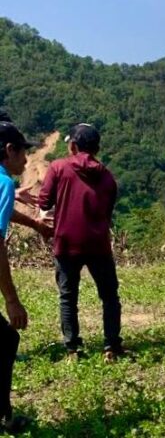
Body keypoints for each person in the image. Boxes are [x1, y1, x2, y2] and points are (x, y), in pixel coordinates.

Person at [38, 124, 123, 362]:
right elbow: (108, 210)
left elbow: (44, 202)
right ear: (96, 148)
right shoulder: (107, 176)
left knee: (68, 296)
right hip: (98, 244)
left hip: (66, 242)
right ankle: (111, 345)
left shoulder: (58, 167)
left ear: (73, 145)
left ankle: (73, 348)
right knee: (109, 296)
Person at [0, 122, 37, 433]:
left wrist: (38, 226)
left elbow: (6, 211)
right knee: (5, 339)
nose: (26, 159)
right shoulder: (3, 184)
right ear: (9, 150)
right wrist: (12, 300)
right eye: (23, 150)